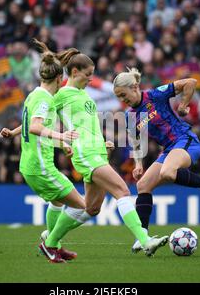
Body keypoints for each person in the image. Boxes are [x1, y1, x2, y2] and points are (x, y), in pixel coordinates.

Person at [49, 51, 169, 258]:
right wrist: (62, 141)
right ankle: (145, 240)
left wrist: (102, 142)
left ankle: (50, 241)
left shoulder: (83, 94)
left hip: (97, 153)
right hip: (85, 154)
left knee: (92, 208)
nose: (90, 78)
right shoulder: (60, 95)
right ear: (75, 71)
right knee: (122, 190)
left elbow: (86, 125)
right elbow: (40, 123)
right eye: (88, 74)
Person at [0, 39, 91, 263]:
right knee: (86, 207)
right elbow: (35, 127)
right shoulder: (45, 99)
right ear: (60, 78)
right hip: (40, 167)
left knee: (58, 203)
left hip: (32, 165)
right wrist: (62, 136)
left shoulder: (34, 94)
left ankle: (54, 245)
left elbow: (31, 125)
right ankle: (50, 242)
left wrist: (12, 132)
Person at [113, 68, 200, 253]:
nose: (123, 99)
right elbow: (136, 141)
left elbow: (190, 82)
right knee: (143, 185)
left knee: (167, 172)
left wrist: (183, 105)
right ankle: (144, 237)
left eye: (123, 94)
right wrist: (138, 164)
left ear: (135, 87)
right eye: (119, 97)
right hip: (169, 150)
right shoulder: (129, 116)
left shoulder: (155, 95)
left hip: (185, 140)